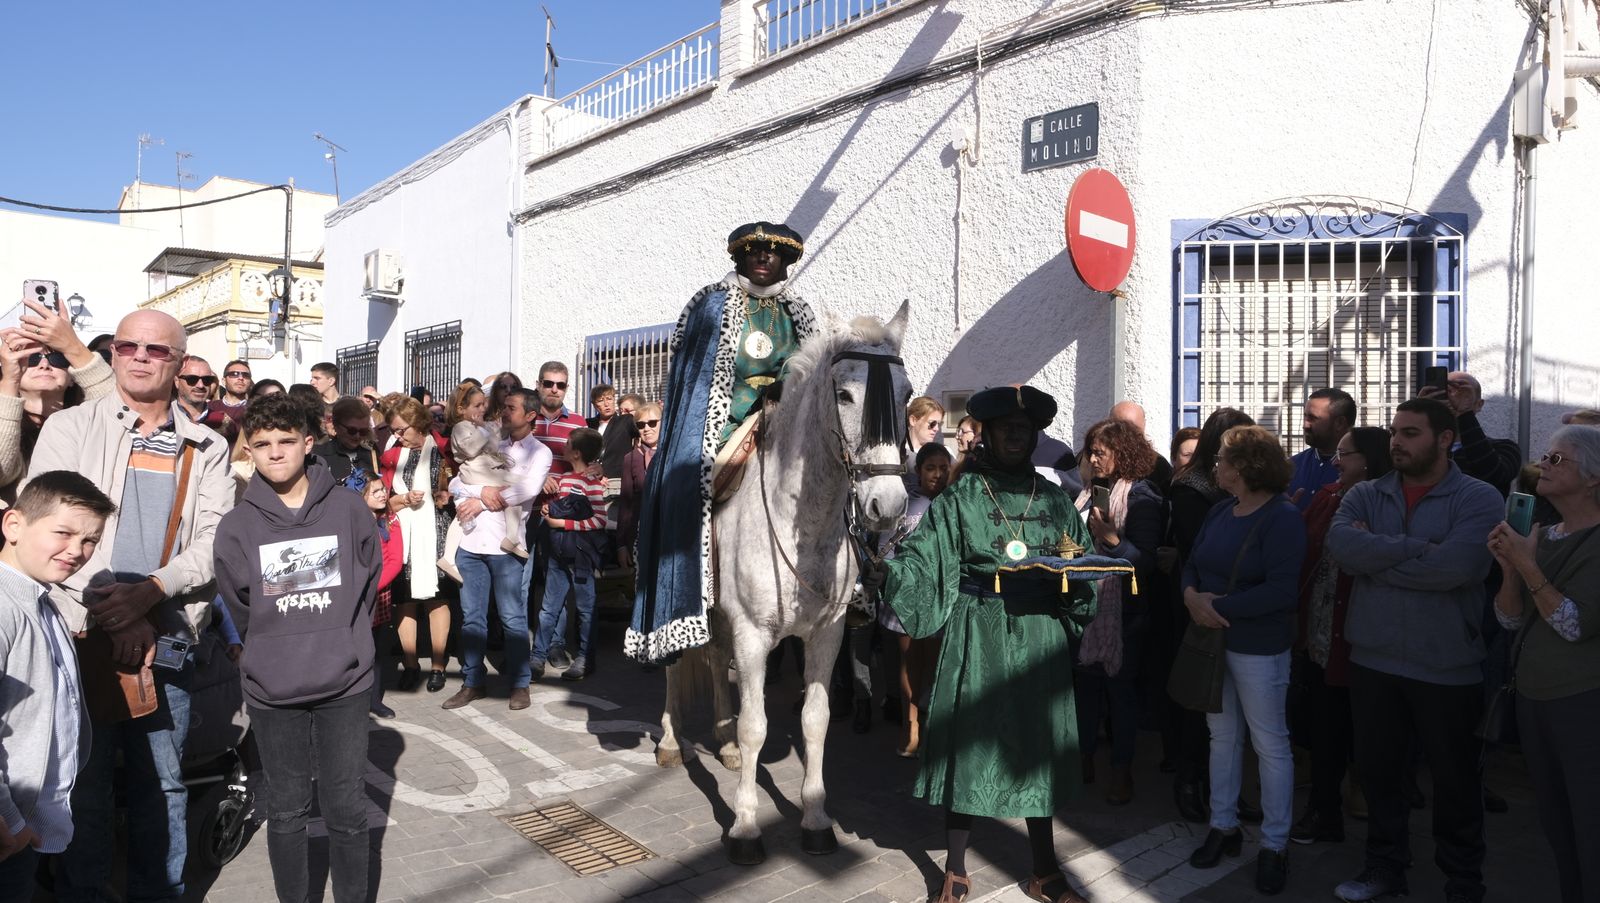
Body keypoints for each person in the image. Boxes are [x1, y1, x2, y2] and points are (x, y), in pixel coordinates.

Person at [27, 309, 235, 903]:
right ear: (112, 354)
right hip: (79, 633)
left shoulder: (207, 446)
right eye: (128, 346)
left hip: (167, 637)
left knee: (162, 784)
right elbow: (52, 528)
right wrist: (115, 609)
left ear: (180, 363)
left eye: (157, 350)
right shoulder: (71, 426)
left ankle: (160, 892)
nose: (140, 357)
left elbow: (215, 541)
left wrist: (149, 592)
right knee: (81, 785)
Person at [880, 385, 1098, 903]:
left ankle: (1044, 870)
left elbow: (1081, 562)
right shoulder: (962, 497)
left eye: (1024, 429)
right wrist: (890, 571)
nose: (1016, 437)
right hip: (977, 633)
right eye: (1006, 429)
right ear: (989, 435)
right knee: (970, 744)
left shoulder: (1054, 501)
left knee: (1038, 747)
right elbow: (925, 557)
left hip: (1039, 636)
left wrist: (1080, 578)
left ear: (1034, 436)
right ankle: (955, 869)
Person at [1325, 397, 1504, 903]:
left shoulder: (1479, 498)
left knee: (1455, 781)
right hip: (1374, 659)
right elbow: (1343, 549)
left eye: (1410, 433)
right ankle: (1384, 867)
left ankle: (1463, 881)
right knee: (1380, 774)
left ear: (1445, 439)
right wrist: (1419, 549)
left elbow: (1459, 568)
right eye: (1394, 433)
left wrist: (1377, 557)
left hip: (1446, 664)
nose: (1396, 443)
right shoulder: (1366, 493)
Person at [627, 221, 821, 663]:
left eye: (774, 252)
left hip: (789, 422)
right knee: (687, 490)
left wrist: (787, 395)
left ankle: (852, 583)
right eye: (755, 251)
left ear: (786, 260)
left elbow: (812, 371)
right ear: (741, 257)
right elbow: (698, 379)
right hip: (727, 423)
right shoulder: (713, 304)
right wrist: (742, 411)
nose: (764, 257)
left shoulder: (797, 311)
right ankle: (696, 594)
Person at [214, 393, 379, 903]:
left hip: (345, 683)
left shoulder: (349, 509)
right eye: (262, 444)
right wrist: (274, 646)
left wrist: (344, 637)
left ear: (309, 443)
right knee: (286, 811)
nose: (275, 453)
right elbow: (240, 604)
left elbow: (368, 581)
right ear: (249, 450)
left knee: (346, 809)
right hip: (273, 689)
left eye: (286, 441)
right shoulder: (236, 526)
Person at [1181, 425, 1305, 895]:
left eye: (1222, 459)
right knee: (1222, 737)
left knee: (1270, 745)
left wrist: (1215, 607)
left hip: (1258, 648)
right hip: (1213, 643)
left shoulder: (1282, 517)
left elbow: (1282, 590)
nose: (1216, 465)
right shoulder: (1220, 509)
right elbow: (1192, 563)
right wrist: (1191, 596)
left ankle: (1274, 844)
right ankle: (1223, 825)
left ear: (1244, 467)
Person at [1487, 425, 1600, 903]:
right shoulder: (1542, 535)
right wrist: (1510, 570)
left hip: (1583, 703)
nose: (1543, 466)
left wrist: (1527, 566)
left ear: (1593, 477)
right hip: (1534, 698)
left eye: (1558, 459)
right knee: (1557, 824)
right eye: (1545, 456)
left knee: (1590, 827)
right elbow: (1509, 620)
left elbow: (1574, 624)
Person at [0, 473, 111, 902]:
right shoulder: (6, 608)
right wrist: (10, 821)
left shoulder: (44, 601)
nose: (77, 551)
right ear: (14, 525)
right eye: (63, 533)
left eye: (90, 540)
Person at [1290, 426, 1392, 847]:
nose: (1335, 461)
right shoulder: (1329, 495)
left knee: (1373, 733)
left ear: (1368, 460)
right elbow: (1304, 547)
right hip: (1321, 635)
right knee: (1325, 728)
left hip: (1366, 638)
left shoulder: (1389, 504)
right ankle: (1324, 810)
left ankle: (1380, 821)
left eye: (1345, 455)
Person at [1165, 407, 1255, 822]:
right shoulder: (1192, 487)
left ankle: (1224, 787)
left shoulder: (1240, 486)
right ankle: (1188, 779)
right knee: (1198, 696)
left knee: (1230, 704)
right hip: (1196, 600)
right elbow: (1197, 548)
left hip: (1233, 603)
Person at [1073, 417, 1164, 806]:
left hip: (1125, 611)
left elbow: (1145, 561)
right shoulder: (1089, 492)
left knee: (1120, 692)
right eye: (1090, 452)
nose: (1092, 459)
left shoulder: (1143, 497)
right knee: (1084, 688)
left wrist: (1112, 540)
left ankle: (1121, 770)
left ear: (1121, 454)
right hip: (1085, 605)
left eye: (1100, 452)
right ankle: (1083, 758)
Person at [444, 387, 552, 709]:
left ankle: (520, 684)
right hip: (470, 543)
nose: (503, 412)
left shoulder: (540, 452)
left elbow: (528, 489)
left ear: (530, 415)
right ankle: (473, 681)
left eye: (511, 408)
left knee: (512, 618)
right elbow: (455, 482)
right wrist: (482, 491)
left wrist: (480, 500)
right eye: (503, 406)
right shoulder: (489, 440)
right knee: (472, 619)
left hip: (506, 548)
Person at [876, 441, 953, 757]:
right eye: (930, 468)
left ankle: (929, 721)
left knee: (935, 663)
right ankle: (911, 726)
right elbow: (886, 550)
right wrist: (890, 584)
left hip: (940, 597)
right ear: (918, 470)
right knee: (911, 661)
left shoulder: (954, 504)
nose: (937, 474)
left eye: (943, 468)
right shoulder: (905, 505)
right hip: (907, 597)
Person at [0, 310, 115, 503]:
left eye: (58, 358)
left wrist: (74, 347)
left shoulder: (86, 422)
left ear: (72, 377)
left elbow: (118, 415)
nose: (44, 364)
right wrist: (9, 381)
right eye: (32, 358)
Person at [379, 396, 453, 694]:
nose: (397, 436)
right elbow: (382, 499)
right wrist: (402, 499)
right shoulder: (390, 455)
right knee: (405, 600)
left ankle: (438, 666)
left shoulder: (444, 449)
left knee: (438, 599)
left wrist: (448, 495)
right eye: (393, 431)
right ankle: (410, 665)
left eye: (402, 430)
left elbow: (460, 485)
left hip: (437, 534)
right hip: (404, 535)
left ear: (419, 423)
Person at [533, 427, 607, 682]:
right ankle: (537, 656)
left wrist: (563, 524)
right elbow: (561, 507)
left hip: (581, 555)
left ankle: (585, 658)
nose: (562, 447)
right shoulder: (565, 479)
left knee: (586, 608)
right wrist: (548, 510)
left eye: (567, 444)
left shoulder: (591, 483)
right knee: (549, 607)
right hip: (559, 552)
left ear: (576, 453)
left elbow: (599, 520)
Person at [1421, 371, 1521, 496]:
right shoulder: (1421, 447)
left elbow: (1494, 476)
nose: (1453, 397)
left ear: (1479, 404)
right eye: (1447, 391)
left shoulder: (1505, 448)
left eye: (1462, 392)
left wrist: (1464, 413)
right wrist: (1419, 413)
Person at [361, 471, 403, 719]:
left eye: (383, 489)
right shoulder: (352, 521)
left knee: (377, 649)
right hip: (355, 593)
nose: (382, 495)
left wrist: (373, 586)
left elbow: (395, 560)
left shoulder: (390, 520)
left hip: (378, 592)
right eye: (374, 491)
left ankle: (374, 699)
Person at [1288, 388, 1355, 509]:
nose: (1305, 425)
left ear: (1340, 423)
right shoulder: (1292, 466)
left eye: (1313, 418)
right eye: (1305, 417)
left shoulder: (1359, 471)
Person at [615, 401, 662, 570]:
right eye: (641, 425)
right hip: (641, 536)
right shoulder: (631, 458)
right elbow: (626, 504)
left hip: (672, 534)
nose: (646, 428)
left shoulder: (674, 454)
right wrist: (621, 545)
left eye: (652, 423)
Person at [314, 397, 381, 486]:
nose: (357, 436)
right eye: (352, 430)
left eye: (363, 431)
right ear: (336, 425)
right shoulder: (318, 455)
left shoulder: (371, 455)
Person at [1110, 400, 1174, 493]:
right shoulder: (1095, 459)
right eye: (1120, 428)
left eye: (1133, 430)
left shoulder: (1158, 465)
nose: (1127, 435)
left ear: (1144, 425)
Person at [587, 383, 637, 479]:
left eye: (609, 399)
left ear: (614, 399)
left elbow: (644, 431)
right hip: (591, 479)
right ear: (594, 405)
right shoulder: (588, 424)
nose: (606, 404)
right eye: (600, 400)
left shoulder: (626, 420)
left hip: (616, 479)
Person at [201, 359, 252, 445]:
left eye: (246, 375)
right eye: (234, 374)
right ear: (224, 381)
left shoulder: (256, 410)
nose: (241, 378)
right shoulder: (207, 408)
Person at [173, 355, 218, 424]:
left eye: (207, 379)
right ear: (177, 381)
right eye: (192, 379)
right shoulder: (164, 418)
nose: (200, 385)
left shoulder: (223, 422)